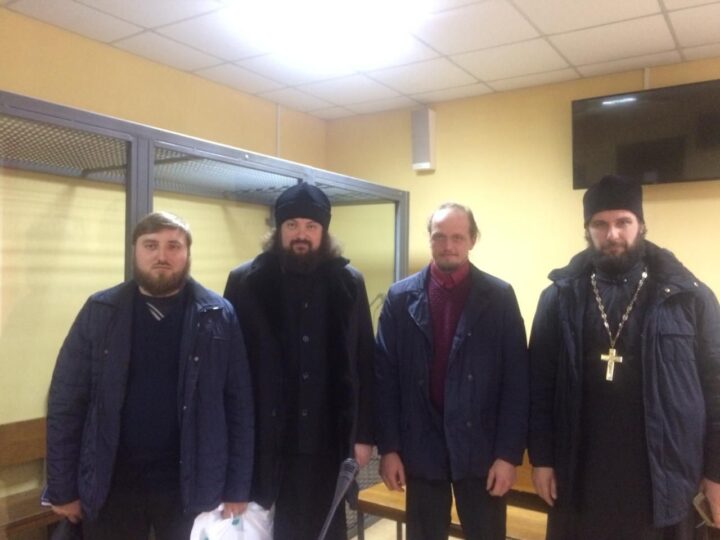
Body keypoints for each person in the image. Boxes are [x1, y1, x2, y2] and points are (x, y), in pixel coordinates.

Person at [528, 175, 720, 539]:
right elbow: (539, 387)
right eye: (600, 224)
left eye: (623, 222)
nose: (612, 234)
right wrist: (542, 459)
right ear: (587, 230)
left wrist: (716, 472)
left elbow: (716, 387)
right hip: (582, 476)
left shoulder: (690, 296)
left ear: (641, 225)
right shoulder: (559, 299)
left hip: (665, 478)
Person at [46, 211, 254, 540]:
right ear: (135, 250)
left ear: (187, 253)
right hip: (112, 485)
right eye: (151, 245)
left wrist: (237, 487)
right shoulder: (100, 311)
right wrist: (62, 488)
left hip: (189, 487)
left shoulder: (217, 316)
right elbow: (66, 401)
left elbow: (239, 405)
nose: (162, 256)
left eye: (174, 246)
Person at [223, 182, 375, 540]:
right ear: (279, 230)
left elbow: (365, 361)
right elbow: (228, 368)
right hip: (266, 439)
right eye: (291, 225)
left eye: (310, 226)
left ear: (324, 231)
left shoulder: (349, 283)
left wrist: (364, 435)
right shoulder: (245, 282)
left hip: (329, 439)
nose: (301, 234)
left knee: (328, 529)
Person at [374, 202, 529, 540]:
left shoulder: (499, 297)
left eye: (458, 237)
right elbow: (384, 380)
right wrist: (389, 448)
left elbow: (517, 382)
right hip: (421, 444)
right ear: (429, 239)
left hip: (482, 448)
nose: (448, 245)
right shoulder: (400, 298)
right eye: (439, 236)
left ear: (473, 239)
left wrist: (507, 455)